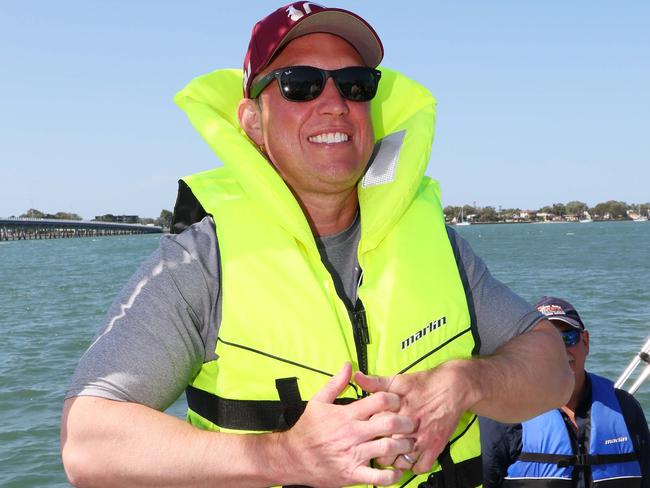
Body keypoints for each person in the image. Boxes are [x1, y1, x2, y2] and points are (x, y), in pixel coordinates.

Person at [60, 3, 573, 487]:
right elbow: (86, 444)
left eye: (354, 85)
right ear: (252, 121)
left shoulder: (439, 247)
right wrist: (284, 455)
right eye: (299, 84)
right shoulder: (202, 264)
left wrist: (464, 382)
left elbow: (551, 368)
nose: (334, 104)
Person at [480, 296, 650, 488]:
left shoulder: (625, 409)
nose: (559, 351)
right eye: (545, 342)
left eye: (568, 338)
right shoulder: (503, 416)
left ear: (585, 342)